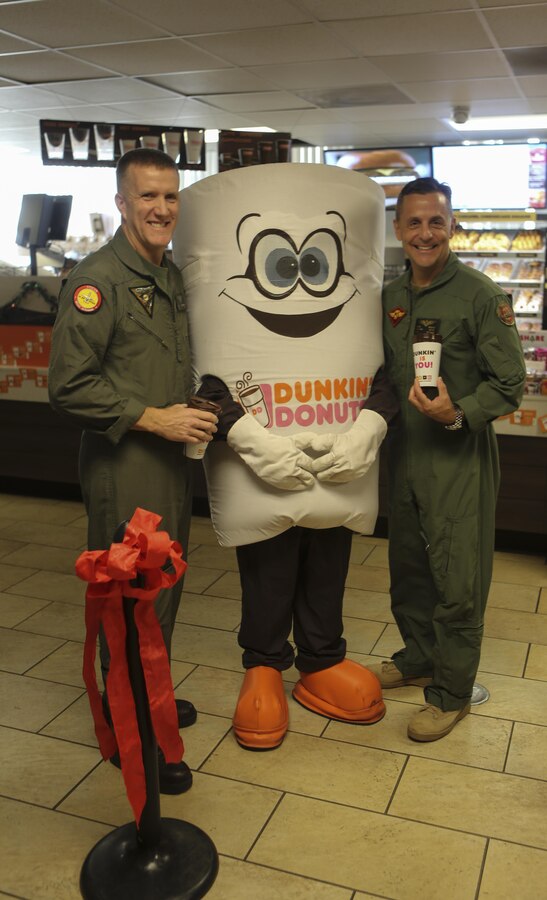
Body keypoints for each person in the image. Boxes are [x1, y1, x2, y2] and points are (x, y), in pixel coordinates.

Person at [48, 148, 218, 792]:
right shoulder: (98, 280)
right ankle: (134, 736)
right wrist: (156, 418)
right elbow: (68, 386)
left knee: (162, 590)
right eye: (147, 196)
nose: (161, 208)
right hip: (127, 466)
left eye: (170, 196)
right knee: (129, 603)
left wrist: (194, 406)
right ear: (121, 203)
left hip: (169, 464)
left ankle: (152, 704)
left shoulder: (166, 274)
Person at [368, 177, 526, 742]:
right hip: (407, 456)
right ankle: (419, 657)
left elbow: (509, 382)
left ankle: (453, 691)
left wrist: (457, 414)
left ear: (451, 224)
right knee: (409, 567)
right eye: (414, 222)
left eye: (436, 221)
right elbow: (388, 373)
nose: (425, 233)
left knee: (457, 576)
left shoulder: (482, 296)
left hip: (459, 455)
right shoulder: (391, 297)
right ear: (398, 230)